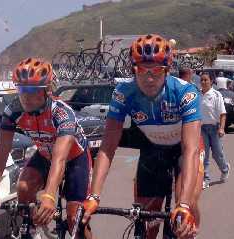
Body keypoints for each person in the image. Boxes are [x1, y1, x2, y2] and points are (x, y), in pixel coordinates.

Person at [82, 34, 204, 239]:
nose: (149, 78)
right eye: (142, 70)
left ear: (167, 70)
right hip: (153, 149)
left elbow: (190, 150)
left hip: (184, 149)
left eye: (156, 70)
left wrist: (183, 204)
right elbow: (107, 148)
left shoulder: (185, 92)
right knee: (146, 219)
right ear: (133, 69)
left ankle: (192, 228)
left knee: (187, 205)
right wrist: (94, 195)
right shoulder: (123, 92)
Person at [0, 58, 93, 238]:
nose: (26, 96)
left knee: (74, 218)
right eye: (21, 89)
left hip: (74, 158)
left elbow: (60, 158)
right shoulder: (13, 110)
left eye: (32, 90)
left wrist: (49, 196)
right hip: (45, 154)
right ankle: (31, 229)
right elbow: (1, 153)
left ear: (47, 90)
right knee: (23, 187)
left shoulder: (61, 112)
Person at [200, 73, 230, 189]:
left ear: (211, 81)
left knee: (217, 154)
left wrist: (221, 128)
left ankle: (225, 169)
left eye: (206, 80)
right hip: (202, 129)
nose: (203, 82)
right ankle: (206, 179)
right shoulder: (198, 94)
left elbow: (223, 114)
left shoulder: (216, 95)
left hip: (214, 128)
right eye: (202, 80)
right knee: (205, 156)